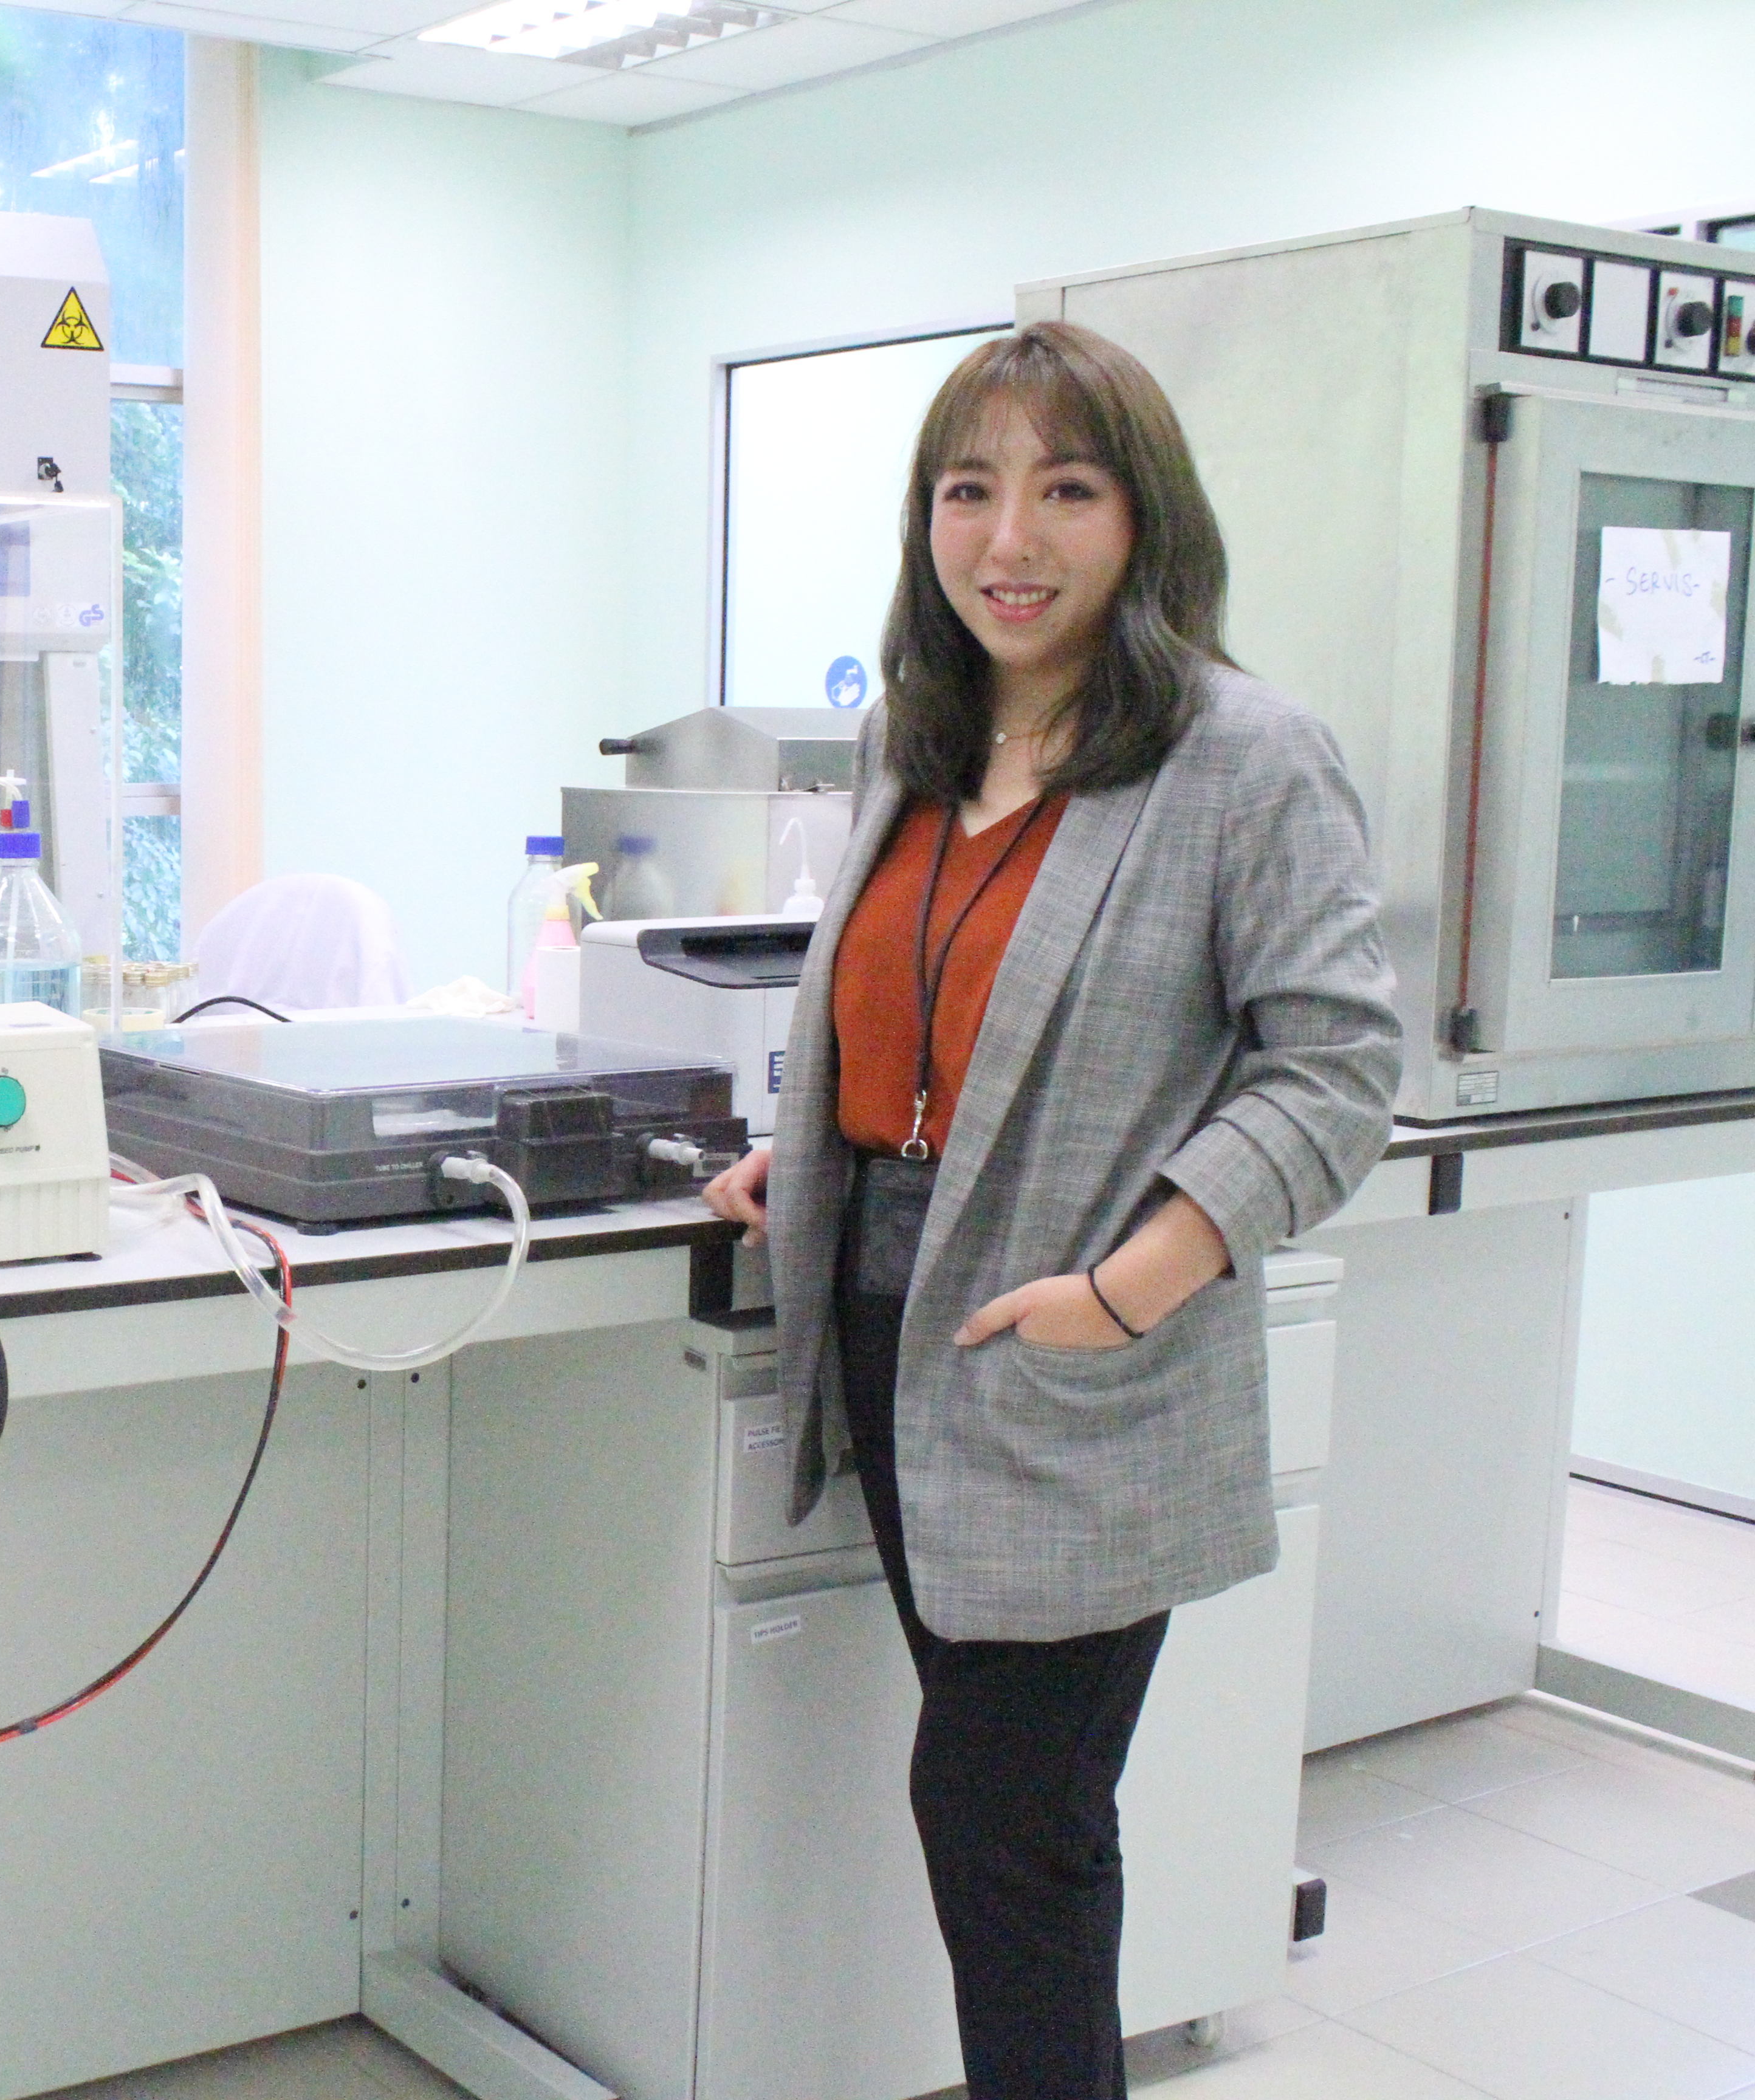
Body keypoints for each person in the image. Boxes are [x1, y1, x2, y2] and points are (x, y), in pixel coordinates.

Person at [701, 321, 1400, 2099]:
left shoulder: (1245, 758)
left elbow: (1334, 1073)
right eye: (970, 491)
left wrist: (1130, 1285)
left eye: (1065, 490)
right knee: (1012, 1813)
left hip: (1079, 1357)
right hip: (888, 1329)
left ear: (1144, 516)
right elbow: (922, 1003)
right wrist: (835, 1143)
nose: (1009, 539)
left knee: (1006, 1814)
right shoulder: (915, 737)